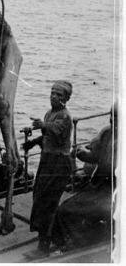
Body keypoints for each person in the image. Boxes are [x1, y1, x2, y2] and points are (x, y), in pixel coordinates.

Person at [51, 102, 118, 251]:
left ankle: (78, 242)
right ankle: (70, 240)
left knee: (78, 211)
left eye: (118, 118)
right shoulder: (107, 133)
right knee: (64, 209)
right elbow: (94, 157)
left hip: (116, 191)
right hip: (98, 186)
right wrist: (81, 154)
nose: (113, 121)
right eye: (112, 116)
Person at [21, 80, 73, 257]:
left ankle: (43, 248)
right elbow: (46, 138)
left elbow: (57, 133)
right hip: (47, 161)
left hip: (59, 164)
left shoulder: (65, 116)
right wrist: (32, 143)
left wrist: (42, 126)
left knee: (47, 203)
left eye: (58, 95)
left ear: (66, 98)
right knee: (39, 198)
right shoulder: (49, 114)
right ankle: (55, 239)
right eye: (52, 93)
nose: (54, 97)